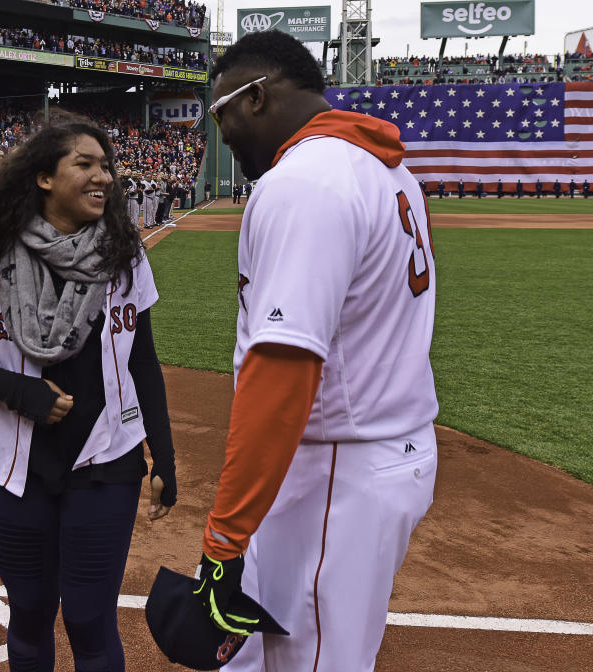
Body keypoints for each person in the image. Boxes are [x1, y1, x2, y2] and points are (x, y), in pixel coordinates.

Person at [185, 31, 437, 672]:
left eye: (223, 114)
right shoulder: (382, 166)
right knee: (251, 657)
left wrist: (224, 536)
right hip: (371, 450)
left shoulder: (307, 181)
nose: (222, 132)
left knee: (311, 662)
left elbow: (283, 373)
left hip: (336, 470)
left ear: (259, 97)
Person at [0, 116, 177, 671]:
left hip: (106, 461)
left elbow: (142, 358)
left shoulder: (124, 252)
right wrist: (23, 392)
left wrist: (164, 453)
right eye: (85, 164)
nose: (104, 176)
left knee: (91, 620)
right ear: (43, 177)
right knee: (30, 615)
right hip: (17, 465)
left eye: (106, 165)